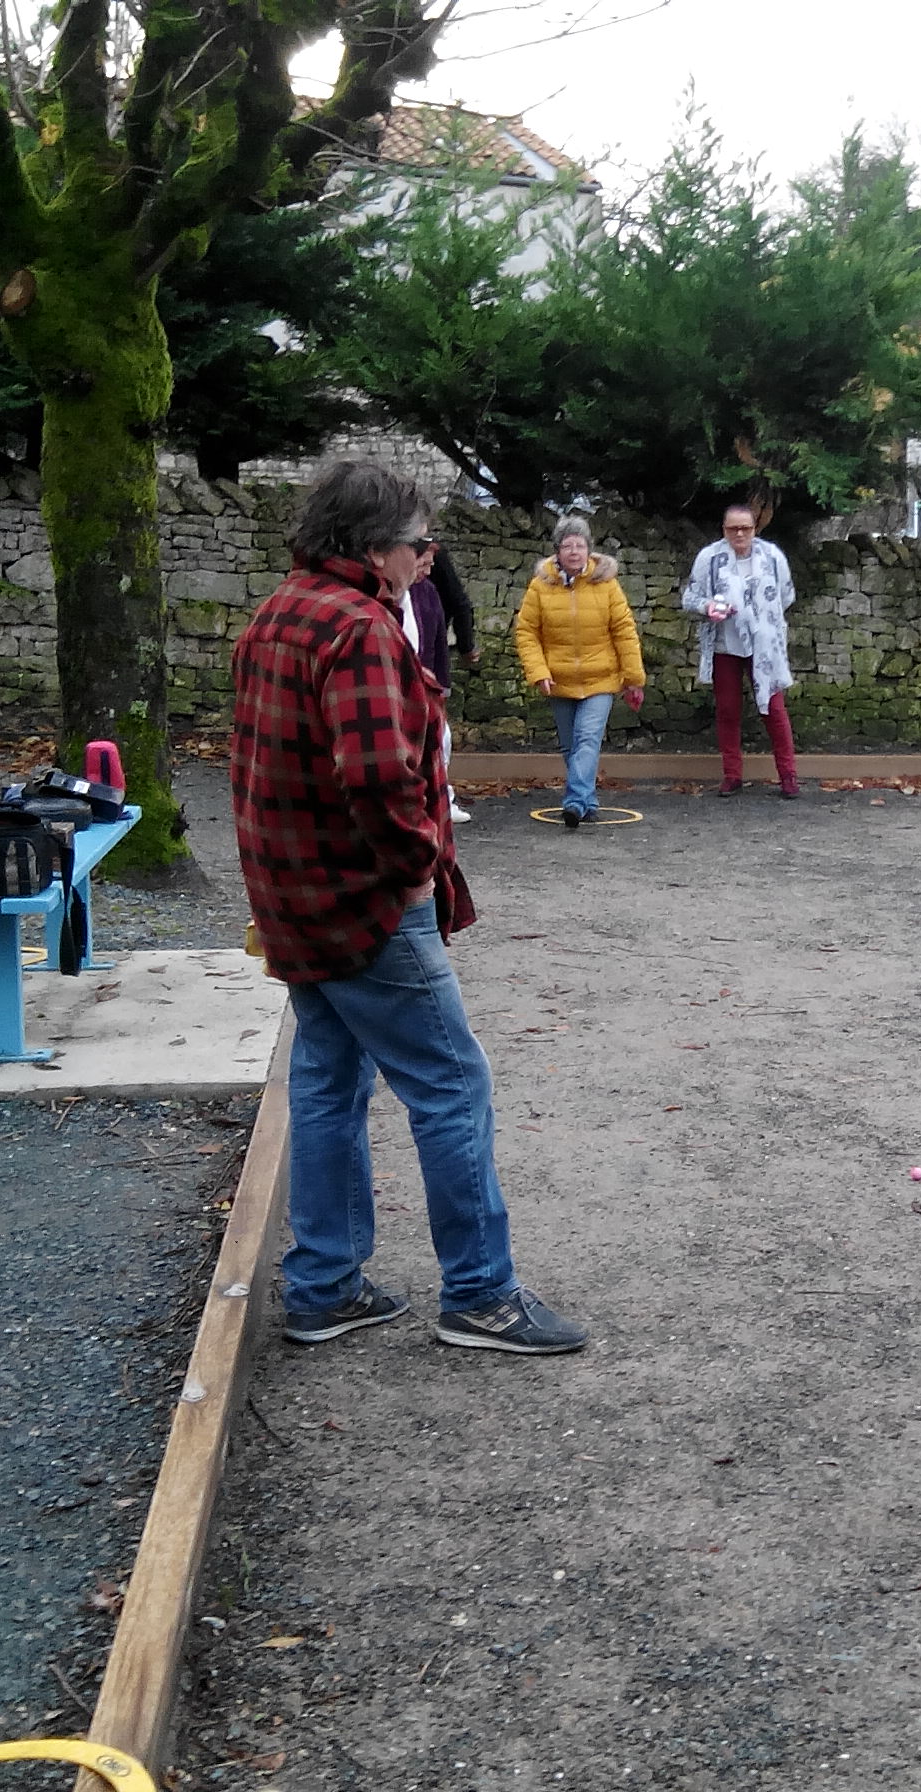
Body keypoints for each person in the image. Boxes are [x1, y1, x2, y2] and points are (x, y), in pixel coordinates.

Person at [229, 459, 586, 1356]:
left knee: (326, 1081)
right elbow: (382, 777)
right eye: (419, 541)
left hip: (294, 897)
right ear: (374, 546)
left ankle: (324, 1286)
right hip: (363, 903)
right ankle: (480, 1296)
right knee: (450, 1084)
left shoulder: (277, 614)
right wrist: (417, 870)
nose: (427, 556)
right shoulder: (357, 630)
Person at [514, 514, 645, 829]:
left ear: (589, 549)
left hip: (601, 679)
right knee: (571, 746)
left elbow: (624, 631)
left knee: (588, 738)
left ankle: (573, 802)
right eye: (567, 545)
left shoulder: (607, 585)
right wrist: (538, 671)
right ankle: (588, 803)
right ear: (557, 551)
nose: (574, 551)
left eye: (580, 545)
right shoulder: (540, 586)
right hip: (558, 680)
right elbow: (527, 632)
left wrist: (633, 678)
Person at [680, 503, 800, 799]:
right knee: (728, 710)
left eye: (745, 528)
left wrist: (759, 620)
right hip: (724, 644)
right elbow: (690, 597)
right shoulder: (708, 558)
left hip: (765, 647)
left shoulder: (772, 556)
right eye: (733, 528)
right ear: (724, 530)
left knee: (774, 709)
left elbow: (786, 595)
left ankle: (788, 776)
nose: (739, 533)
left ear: (754, 529)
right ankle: (732, 775)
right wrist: (708, 607)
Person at [402, 540, 477, 823]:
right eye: (424, 563)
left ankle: (442, 797)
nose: (429, 569)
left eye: (431, 564)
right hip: (405, 681)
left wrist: (441, 684)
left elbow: (436, 641)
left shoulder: (429, 592)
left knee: (440, 739)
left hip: (429, 678)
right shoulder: (396, 595)